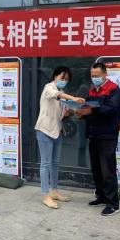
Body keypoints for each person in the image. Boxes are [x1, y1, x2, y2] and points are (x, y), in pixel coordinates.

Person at [76, 62, 120, 216]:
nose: (94, 78)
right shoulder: (92, 90)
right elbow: (89, 109)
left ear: (105, 74)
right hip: (94, 135)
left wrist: (90, 111)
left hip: (107, 136)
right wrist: (81, 113)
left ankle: (113, 204)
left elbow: (110, 109)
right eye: (92, 75)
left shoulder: (113, 90)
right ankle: (102, 196)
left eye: (97, 75)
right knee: (96, 169)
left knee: (108, 170)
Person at [35, 66, 85, 209]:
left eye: (67, 79)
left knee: (55, 163)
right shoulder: (48, 88)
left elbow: (62, 112)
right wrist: (73, 98)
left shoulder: (62, 92)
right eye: (62, 78)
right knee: (45, 163)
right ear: (55, 76)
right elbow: (56, 95)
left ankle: (54, 191)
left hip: (57, 131)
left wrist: (72, 110)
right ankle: (45, 195)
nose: (64, 81)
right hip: (44, 130)